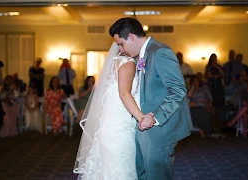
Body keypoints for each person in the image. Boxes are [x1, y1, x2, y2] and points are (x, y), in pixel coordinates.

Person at [74, 17, 192, 180]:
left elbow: (178, 90)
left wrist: (155, 118)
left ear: (131, 36)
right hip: (140, 126)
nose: (121, 49)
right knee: (143, 174)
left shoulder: (160, 51)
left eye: (121, 43)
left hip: (158, 128)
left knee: (158, 175)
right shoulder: (139, 56)